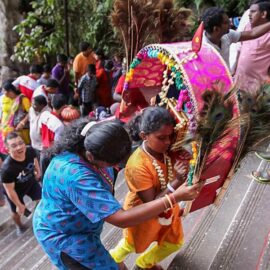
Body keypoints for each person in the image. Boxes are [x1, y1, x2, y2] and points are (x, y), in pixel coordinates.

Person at [32, 119, 202, 270]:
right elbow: (121, 219)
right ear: (91, 156)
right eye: (113, 164)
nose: (116, 167)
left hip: (76, 225)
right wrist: (175, 197)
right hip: (66, 237)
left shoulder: (95, 140)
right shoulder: (76, 177)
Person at [110, 107, 191, 269]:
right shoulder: (136, 165)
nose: (168, 142)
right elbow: (152, 203)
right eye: (161, 138)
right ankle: (109, 260)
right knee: (130, 244)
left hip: (169, 205)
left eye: (170, 136)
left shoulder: (168, 149)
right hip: (143, 213)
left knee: (174, 243)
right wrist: (177, 181)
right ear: (144, 136)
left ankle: (144, 263)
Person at [202, 6, 270, 70]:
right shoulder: (201, 48)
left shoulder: (227, 35)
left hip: (227, 80)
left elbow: (252, 33)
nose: (230, 23)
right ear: (216, 29)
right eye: (226, 22)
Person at [1, 132, 41, 235]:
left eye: (21, 143)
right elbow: (9, 190)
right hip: (15, 191)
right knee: (17, 212)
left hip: (30, 181)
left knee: (41, 199)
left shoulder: (29, 150)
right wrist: (19, 204)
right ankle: (19, 226)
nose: (19, 147)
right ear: (7, 149)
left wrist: (38, 170)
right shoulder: (7, 169)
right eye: (14, 146)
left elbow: (34, 159)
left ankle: (37, 219)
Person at [234, 2, 270, 90]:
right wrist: (234, 70)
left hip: (258, 89)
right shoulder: (248, 27)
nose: (249, 15)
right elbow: (240, 49)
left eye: (253, 12)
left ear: (263, 14)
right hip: (239, 84)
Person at [0, 80, 31, 145]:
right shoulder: (5, 98)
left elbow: (31, 112)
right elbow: (3, 111)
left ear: (10, 91)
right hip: (5, 128)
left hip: (20, 129)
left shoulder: (23, 99)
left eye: (5, 91)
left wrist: (22, 122)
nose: (3, 93)